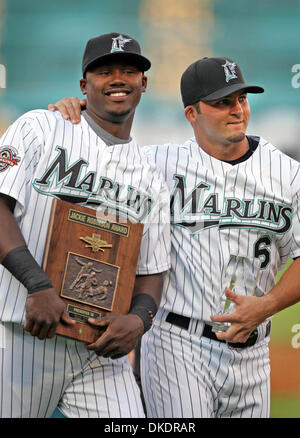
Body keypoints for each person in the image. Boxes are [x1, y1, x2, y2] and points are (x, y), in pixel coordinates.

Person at [50, 57, 300, 418]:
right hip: (177, 343)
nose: (237, 110)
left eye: (241, 99)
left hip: (254, 352)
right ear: (191, 114)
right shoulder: (158, 165)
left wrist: (267, 304)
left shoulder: (288, 174)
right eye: (222, 102)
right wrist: (71, 114)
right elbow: (93, 159)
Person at [0, 32, 170, 418]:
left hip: (98, 351)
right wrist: (37, 284)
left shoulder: (150, 177)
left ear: (143, 83)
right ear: (83, 84)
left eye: (129, 71)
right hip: (19, 335)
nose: (118, 79)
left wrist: (138, 320)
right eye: (104, 71)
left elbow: (153, 270)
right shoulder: (41, 128)